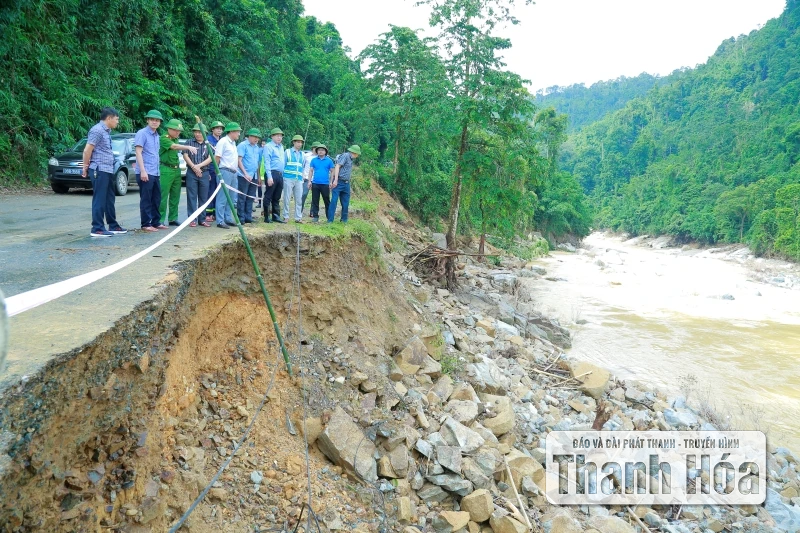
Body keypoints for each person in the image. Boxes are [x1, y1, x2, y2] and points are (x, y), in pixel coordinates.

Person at [83, 107, 127, 237]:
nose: (117, 122)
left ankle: (112, 225)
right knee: (100, 199)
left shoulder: (106, 131)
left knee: (109, 199)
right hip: (99, 169)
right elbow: (87, 150)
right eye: (116, 119)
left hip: (107, 169)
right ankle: (97, 228)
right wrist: (85, 167)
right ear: (109, 118)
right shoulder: (97, 130)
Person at [159, 119, 196, 226]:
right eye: (176, 130)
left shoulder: (175, 139)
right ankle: (160, 219)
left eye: (179, 131)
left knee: (175, 195)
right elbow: (174, 147)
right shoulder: (164, 138)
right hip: (166, 169)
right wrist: (188, 147)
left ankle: (172, 218)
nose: (178, 132)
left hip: (176, 169)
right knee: (163, 195)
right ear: (169, 129)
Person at [134, 110, 166, 232]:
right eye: (152, 119)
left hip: (155, 172)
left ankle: (156, 222)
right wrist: (142, 171)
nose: (154, 122)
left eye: (157, 120)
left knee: (156, 198)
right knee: (146, 199)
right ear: (147, 120)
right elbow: (138, 152)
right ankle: (146, 224)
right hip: (145, 171)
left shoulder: (157, 135)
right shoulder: (142, 133)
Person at [184, 124, 213, 227]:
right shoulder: (189, 142)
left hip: (204, 173)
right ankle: (192, 219)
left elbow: (210, 158)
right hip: (191, 172)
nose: (197, 134)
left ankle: (202, 219)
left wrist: (199, 166)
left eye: (200, 132)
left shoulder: (208, 144)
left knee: (203, 197)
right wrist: (194, 167)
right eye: (196, 132)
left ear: (205, 133)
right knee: (191, 196)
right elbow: (185, 155)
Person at [214, 122, 242, 229]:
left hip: (233, 172)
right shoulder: (223, 142)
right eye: (237, 132)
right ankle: (220, 220)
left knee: (231, 197)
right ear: (231, 132)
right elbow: (217, 158)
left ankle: (228, 218)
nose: (239, 134)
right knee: (222, 197)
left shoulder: (233, 143)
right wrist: (218, 172)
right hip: (225, 171)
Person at [328, 145, 361, 223]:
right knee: (334, 200)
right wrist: (335, 180)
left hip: (346, 183)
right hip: (339, 181)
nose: (357, 155)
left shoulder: (351, 159)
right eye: (357, 154)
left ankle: (344, 220)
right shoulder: (345, 156)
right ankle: (330, 220)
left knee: (345, 202)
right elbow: (337, 166)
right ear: (354, 152)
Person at [236, 128, 262, 224]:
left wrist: (258, 176)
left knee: (250, 196)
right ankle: (241, 217)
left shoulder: (257, 148)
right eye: (255, 137)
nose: (256, 139)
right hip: (244, 175)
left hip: (254, 175)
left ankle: (248, 216)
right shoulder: (243, 145)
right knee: (242, 197)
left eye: (257, 138)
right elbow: (239, 160)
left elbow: (257, 163)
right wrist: (245, 174)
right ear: (249, 136)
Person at [308, 144, 335, 223]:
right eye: (319, 150)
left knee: (326, 200)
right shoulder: (314, 160)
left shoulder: (329, 161)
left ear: (325, 151)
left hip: (325, 184)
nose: (320, 151)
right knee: (315, 200)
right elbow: (311, 171)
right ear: (317, 151)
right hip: (315, 183)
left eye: (322, 150)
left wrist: (331, 182)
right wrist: (309, 181)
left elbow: (332, 171)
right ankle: (315, 216)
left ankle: (329, 217)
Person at [262, 128, 284, 223]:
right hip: (272, 172)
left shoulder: (281, 147)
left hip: (280, 174)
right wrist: (269, 176)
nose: (279, 137)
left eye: (280, 136)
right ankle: (267, 217)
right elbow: (267, 162)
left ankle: (276, 216)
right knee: (268, 195)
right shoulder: (268, 146)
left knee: (277, 196)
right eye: (277, 135)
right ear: (272, 136)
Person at [205, 120, 225, 222]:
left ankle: (216, 213)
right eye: (217, 128)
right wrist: (207, 171)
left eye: (221, 129)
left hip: (220, 169)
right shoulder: (208, 140)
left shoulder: (223, 140)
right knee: (210, 191)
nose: (219, 130)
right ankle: (208, 213)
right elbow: (206, 156)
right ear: (212, 129)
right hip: (211, 169)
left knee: (219, 192)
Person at [283, 135, 306, 223]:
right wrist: (283, 177)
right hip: (288, 178)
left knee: (299, 199)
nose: (299, 144)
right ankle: (286, 216)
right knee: (287, 198)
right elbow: (283, 165)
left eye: (300, 142)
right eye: (297, 142)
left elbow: (302, 167)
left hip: (298, 179)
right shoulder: (287, 152)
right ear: (293, 142)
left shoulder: (302, 154)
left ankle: (298, 217)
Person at [301, 141, 320, 215]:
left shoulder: (321, 157)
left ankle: (312, 212)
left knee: (315, 197)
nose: (316, 149)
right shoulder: (306, 156)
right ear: (312, 148)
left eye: (318, 148)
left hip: (316, 179)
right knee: (303, 194)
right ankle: (300, 210)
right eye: (315, 148)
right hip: (306, 178)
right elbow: (302, 166)